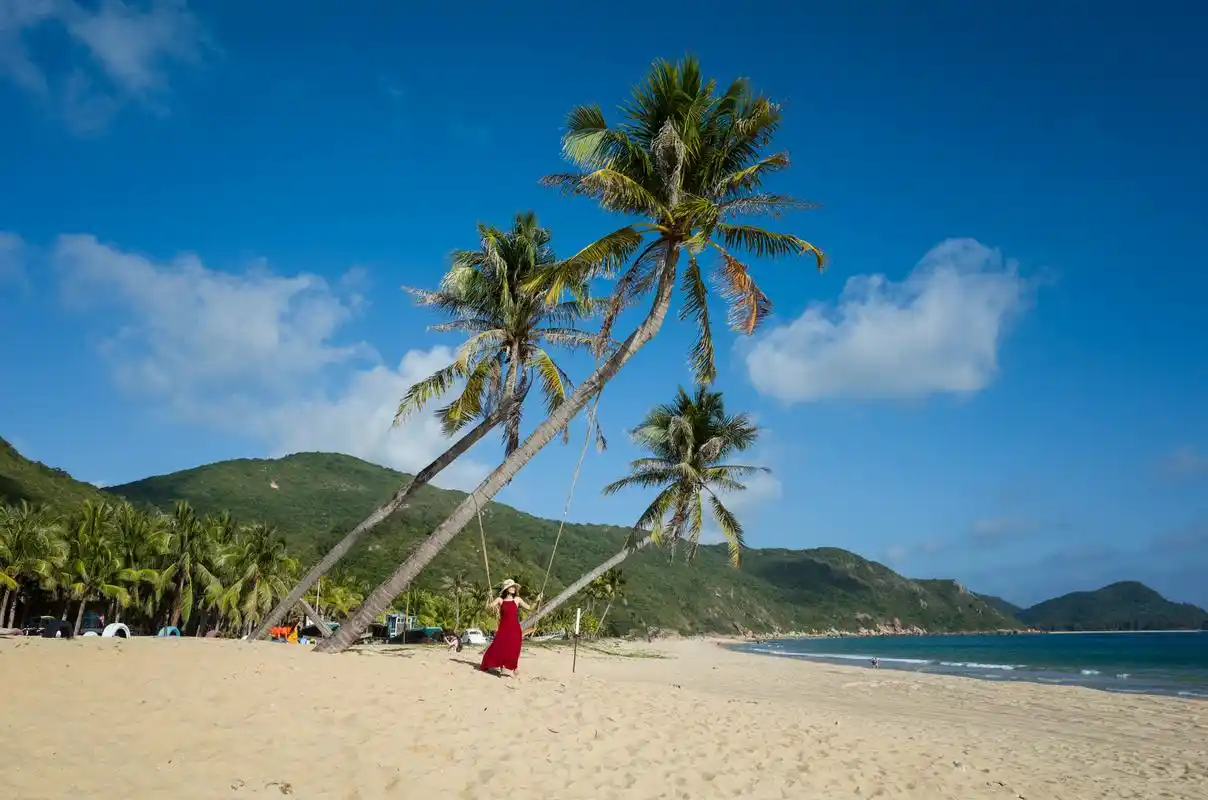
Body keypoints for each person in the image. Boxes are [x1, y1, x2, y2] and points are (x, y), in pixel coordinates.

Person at [480, 579, 537, 676]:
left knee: (514, 648)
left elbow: (530, 608)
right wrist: (488, 597)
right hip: (503, 628)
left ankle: (514, 667)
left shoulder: (517, 599)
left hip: (515, 628)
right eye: (511, 587)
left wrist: (537, 600)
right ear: (506, 589)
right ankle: (500, 665)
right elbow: (487, 608)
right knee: (499, 647)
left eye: (514, 587)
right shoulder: (500, 600)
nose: (514, 588)